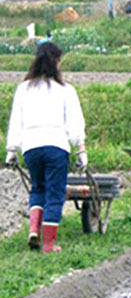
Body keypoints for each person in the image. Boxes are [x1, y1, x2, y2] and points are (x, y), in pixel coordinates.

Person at [5, 42, 87, 253]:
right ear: (57, 62)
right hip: (56, 146)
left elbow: (16, 120)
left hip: (31, 147)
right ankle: (49, 244)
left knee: (38, 188)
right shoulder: (65, 90)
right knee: (55, 193)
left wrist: (11, 150)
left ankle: (34, 230)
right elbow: (75, 123)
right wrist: (81, 149)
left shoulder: (24, 89)